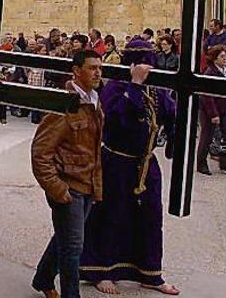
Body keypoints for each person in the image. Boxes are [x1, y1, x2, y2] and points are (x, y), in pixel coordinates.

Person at [80, 39, 179, 296]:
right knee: (111, 215)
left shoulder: (156, 89)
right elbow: (119, 119)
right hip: (117, 162)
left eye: (150, 61)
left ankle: (150, 274)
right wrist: (134, 86)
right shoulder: (114, 87)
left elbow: (170, 113)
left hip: (146, 164)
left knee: (150, 219)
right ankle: (101, 270)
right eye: (142, 61)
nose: (147, 67)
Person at [31, 50, 104, 298]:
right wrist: (57, 189)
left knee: (65, 239)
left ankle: (42, 279)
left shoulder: (94, 100)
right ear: (77, 71)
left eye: (99, 68)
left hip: (87, 185)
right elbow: (41, 152)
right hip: (69, 186)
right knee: (73, 247)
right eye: (92, 68)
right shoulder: (64, 104)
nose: (97, 73)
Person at [197, 45, 226, 176]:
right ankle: (201, 163)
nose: (225, 58)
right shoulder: (210, 73)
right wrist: (213, 114)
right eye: (221, 56)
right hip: (209, 110)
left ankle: (225, 163)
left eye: (225, 55)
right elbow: (207, 96)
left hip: (225, 108)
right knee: (207, 136)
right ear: (215, 59)